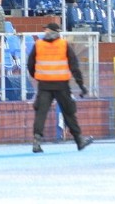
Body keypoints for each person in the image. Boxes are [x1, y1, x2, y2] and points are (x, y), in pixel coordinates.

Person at [27, 23, 93, 154]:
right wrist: (81, 85)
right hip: (62, 85)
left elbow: (30, 64)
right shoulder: (64, 45)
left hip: (44, 84)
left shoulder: (38, 44)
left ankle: (36, 142)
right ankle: (79, 140)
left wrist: (37, 76)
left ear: (48, 31)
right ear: (58, 32)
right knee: (69, 112)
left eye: (46, 29)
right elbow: (74, 67)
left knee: (41, 113)